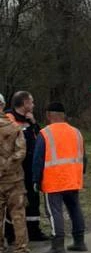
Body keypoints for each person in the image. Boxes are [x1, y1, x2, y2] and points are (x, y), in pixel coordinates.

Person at [33, 102, 87, 253]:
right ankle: (79, 240)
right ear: (63, 115)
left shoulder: (45, 133)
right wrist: (80, 173)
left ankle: (57, 245)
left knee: (54, 211)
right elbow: (84, 156)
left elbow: (38, 159)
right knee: (74, 208)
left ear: (49, 115)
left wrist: (36, 180)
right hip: (72, 178)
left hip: (53, 179)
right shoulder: (76, 132)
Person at [4, 90, 49, 243]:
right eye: (31, 102)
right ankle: (11, 234)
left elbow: (40, 138)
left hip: (31, 166)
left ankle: (34, 230)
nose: (34, 104)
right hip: (15, 167)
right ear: (24, 103)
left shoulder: (29, 120)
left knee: (33, 197)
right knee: (14, 201)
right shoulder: (9, 118)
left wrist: (34, 123)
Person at [0, 93, 29, 253]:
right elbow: (21, 152)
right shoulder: (14, 128)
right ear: (3, 106)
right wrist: (8, 166)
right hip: (14, 179)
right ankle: (21, 250)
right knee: (18, 214)